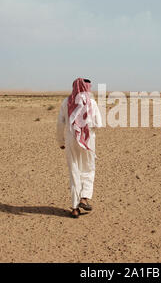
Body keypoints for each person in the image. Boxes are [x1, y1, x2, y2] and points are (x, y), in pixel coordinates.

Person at [56, 78, 103, 218]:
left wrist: (60, 141)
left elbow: (60, 123)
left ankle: (75, 208)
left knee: (74, 171)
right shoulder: (91, 102)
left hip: (71, 140)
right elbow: (98, 123)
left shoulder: (66, 102)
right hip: (88, 141)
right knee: (88, 168)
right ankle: (84, 197)